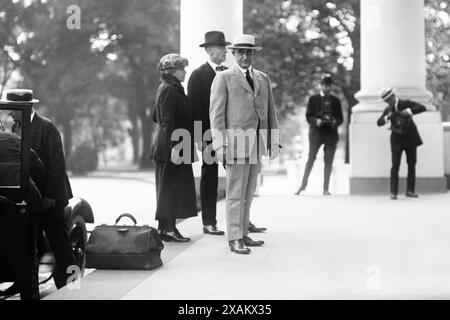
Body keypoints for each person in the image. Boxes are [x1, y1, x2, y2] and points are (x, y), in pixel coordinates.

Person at [210, 34, 280, 255]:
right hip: (235, 144)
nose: (244, 56)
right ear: (233, 54)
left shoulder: (262, 78)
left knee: (248, 192)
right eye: (240, 52)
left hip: (256, 144)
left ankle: (242, 233)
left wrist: (273, 141)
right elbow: (216, 116)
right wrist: (220, 146)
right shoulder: (224, 78)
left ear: (253, 55)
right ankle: (233, 238)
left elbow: (270, 112)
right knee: (235, 193)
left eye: (248, 52)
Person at [12, 89, 77, 290]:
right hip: (30, 196)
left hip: (51, 198)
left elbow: (57, 165)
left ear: (25, 107)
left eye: (12, 109)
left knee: (60, 245)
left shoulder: (47, 127)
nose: (10, 114)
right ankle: (24, 282)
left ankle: (71, 286)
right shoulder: (16, 127)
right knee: (28, 242)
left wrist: (49, 195)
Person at [151, 53, 198, 242]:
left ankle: (165, 229)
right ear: (172, 71)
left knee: (170, 188)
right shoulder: (169, 89)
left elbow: (156, 116)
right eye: (182, 69)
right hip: (172, 146)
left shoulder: (172, 89)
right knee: (169, 189)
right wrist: (174, 146)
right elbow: (167, 120)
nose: (185, 72)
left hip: (176, 143)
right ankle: (168, 229)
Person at [187, 31, 228, 236]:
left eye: (225, 48)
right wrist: (197, 139)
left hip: (231, 135)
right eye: (221, 48)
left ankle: (242, 221)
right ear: (209, 50)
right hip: (207, 136)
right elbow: (194, 110)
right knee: (209, 177)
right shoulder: (197, 75)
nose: (225, 51)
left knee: (239, 177)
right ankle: (209, 222)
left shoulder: (230, 73)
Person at [0, 108, 44, 300]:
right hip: (24, 202)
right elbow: (38, 167)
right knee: (28, 253)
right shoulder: (15, 140)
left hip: (6, 205)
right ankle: (29, 295)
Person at [295, 75, 343, 196]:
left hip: (331, 133)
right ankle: (302, 186)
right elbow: (308, 116)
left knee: (329, 161)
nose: (327, 88)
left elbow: (340, 118)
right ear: (321, 85)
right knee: (311, 158)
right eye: (325, 85)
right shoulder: (313, 99)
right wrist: (317, 121)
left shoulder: (336, 100)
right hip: (316, 133)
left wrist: (334, 122)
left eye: (329, 85)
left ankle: (325, 188)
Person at [376, 87, 426, 199]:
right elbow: (378, 122)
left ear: (393, 96)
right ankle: (393, 192)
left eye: (389, 100)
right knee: (395, 166)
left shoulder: (406, 103)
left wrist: (409, 111)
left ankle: (410, 191)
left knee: (411, 165)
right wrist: (386, 118)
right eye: (386, 101)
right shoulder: (388, 109)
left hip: (410, 138)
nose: (388, 102)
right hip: (396, 140)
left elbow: (422, 107)